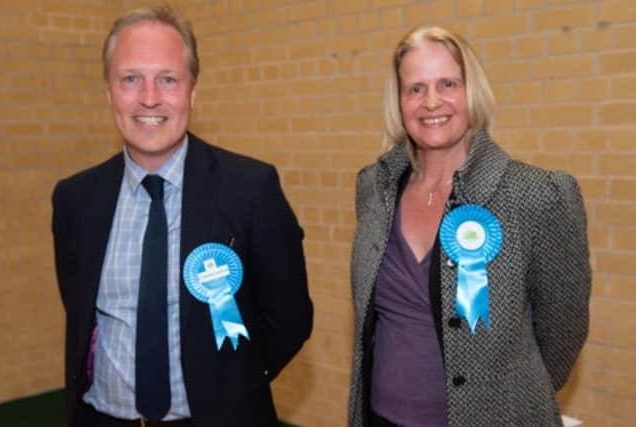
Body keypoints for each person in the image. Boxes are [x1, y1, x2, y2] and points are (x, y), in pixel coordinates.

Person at [52, 7, 312, 427]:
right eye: (130, 78)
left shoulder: (250, 188)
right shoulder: (74, 200)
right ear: (109, 92)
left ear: (192, 92)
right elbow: (79, 307)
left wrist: (234, 385)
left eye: (167, 79)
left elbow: (290, 316)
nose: (149, 97)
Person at [349, 25, 591, 427]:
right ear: (398, 101)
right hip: (381, 418)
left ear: (471, 91)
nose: (431, 102)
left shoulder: (535, 194)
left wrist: (501, 392)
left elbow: (563, 332)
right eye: (415, 89)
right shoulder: (374, 188)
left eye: (447, 83)